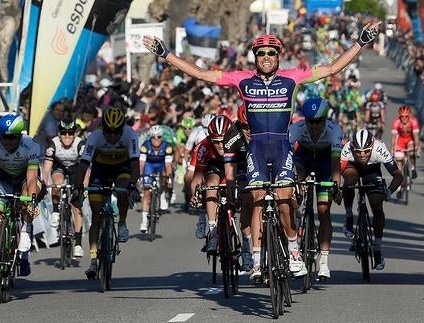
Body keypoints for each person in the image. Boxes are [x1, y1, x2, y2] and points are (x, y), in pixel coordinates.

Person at [143, 21, 381, 279]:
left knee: (284, 202)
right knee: (256, 199)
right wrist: (165, 54)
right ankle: (256, 261)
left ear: (278, 56)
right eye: (260, 53)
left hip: (281, 147)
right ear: (254, 57)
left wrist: (361, 41)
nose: (266, 57)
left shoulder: (292, 77)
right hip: (256, 149)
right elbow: (202, 74)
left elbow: (332, 68)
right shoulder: (242, 79)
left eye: (271, 53)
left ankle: (293, 250)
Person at [0, 115, 42, 289]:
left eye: (12, 137)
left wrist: (32, 202)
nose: (8, 141)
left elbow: (32, 178)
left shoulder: (31, 146)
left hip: (24, 180)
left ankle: (25, 228)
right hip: (2, 179)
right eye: (4, 136)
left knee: (28, 195)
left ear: (20, 136)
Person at [76, 107, 140, 279]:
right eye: (108, 132)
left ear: (122, 129)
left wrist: (133, 184)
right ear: (102, 128)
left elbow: (135, 164)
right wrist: (78, 186)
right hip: (100, 170)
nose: (112, 135)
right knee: (96, 214)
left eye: (116, 132)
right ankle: (94, 261)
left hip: (122, 168)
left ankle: (122, 223)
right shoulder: (95, 136)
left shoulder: (130, 135)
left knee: (123, 189)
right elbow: (83, 165)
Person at [288, 97, 343, 280]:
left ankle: (324, 262)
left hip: (325, 163)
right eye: (309, 121)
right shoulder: (296, 128)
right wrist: (296, 182)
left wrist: (336, 185)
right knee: (294, 195)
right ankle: (294, 231)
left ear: (325, 119)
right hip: (302, 160)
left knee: (323, 210)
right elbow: (288, 160)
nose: (313, 125)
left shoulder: (334, 130)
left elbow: (335, 164)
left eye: (317, 121)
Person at [340, 129, 403, 270]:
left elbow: (398, 176)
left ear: (372, 146)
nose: (362, 155)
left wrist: (389, 192)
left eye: (366, 151)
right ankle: (349, 215)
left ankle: (378, 249)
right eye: (358, 151)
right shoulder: (347, 149)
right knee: (349, 183)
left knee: (377, 206)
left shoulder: (379, 149)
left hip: (372, 171)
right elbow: (337, 172)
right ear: (353, 147)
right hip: (352, 167)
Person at [41, 118, 86, 257]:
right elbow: (47, 167)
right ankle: (55, 211)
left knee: (76, 206)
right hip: (59, 166)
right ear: (59, 134)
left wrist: (84, 187)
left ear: (75, 134)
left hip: (76, 169)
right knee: (57, 183)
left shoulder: (80, 144)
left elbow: (86, 169)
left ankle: (78, 244)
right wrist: (43, 182)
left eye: (70, 133)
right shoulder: (53, 144)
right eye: (64, 133)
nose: (67, 136)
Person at [188, 115, 232, 252]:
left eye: (223, 141)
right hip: (215, 167)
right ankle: (213, 232)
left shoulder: (237, 142)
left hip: (233, 166)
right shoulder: (203, 146)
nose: (220, 145)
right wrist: (195, 194)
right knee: (211, 183)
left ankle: (247, 246)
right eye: (216, 141)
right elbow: (196, 178)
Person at [223, 105, 253, 270]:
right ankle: (247, 250)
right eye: (245, 127)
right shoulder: (232, 135)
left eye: (251, 126)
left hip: (264, 162)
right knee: (247, 199)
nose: (248, 131)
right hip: (241, 166)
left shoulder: (264, 129)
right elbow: (229, 173)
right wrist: (231, 194)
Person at [138, 125, 174, 232]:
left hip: (161, 165)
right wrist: (140, 176)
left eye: (158, 137)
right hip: (149, 165)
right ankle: (144, 221)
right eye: (153, 137)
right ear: (150, 138)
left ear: (162, 137)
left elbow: (168, 165)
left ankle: (162, 195)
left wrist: (169, 178)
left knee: (165, 174)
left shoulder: (167, 147)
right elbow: (142, 163)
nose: (156, 140)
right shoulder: (145, 146)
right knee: (146, 193)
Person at [391, 105, 420, 181]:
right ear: (399, 116)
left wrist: (417, 146)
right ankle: (400, 182)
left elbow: (415, 135)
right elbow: (394, 136)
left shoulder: (414, 121)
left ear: (409, 115)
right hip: (400, 140)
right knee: (399, 160)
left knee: (411, 152)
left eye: (406, 116)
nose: (404, 118)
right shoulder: (396, 122)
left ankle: (413, 168)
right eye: (402, 116)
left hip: (410, 139)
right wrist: (392, 147)